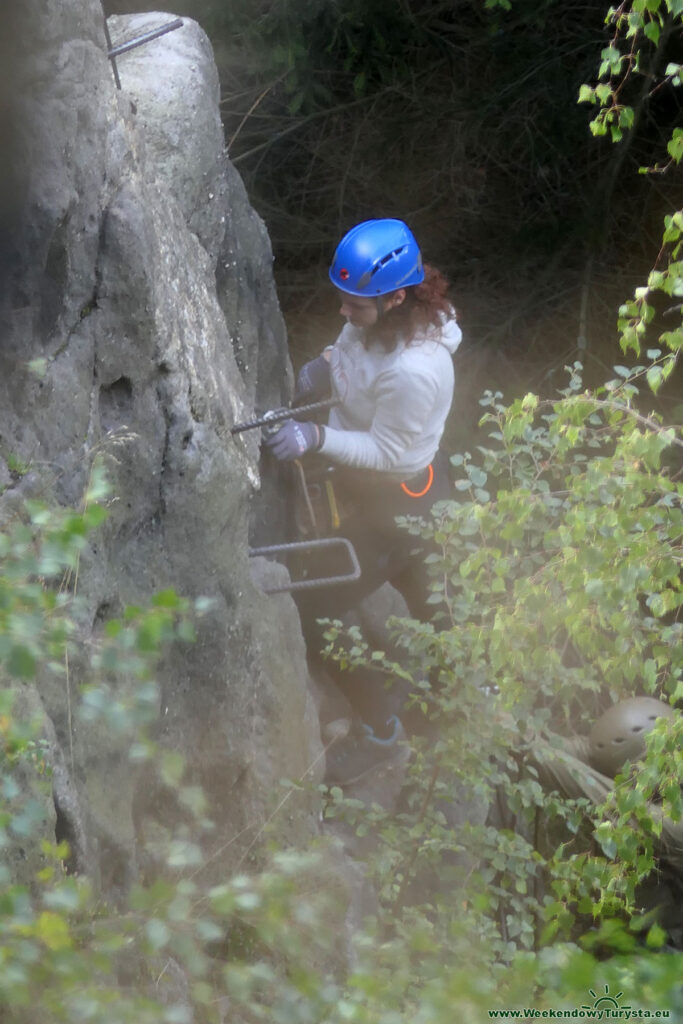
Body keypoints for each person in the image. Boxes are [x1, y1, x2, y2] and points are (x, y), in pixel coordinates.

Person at [264, 218, 462, 781]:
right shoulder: (377, 319)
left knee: (313, 606)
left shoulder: (417, 371)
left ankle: (382, 734)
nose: (344, 314)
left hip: (398, 503)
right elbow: (353, 350)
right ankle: (461, 700)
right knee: (435, 606)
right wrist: (325, 368)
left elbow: (391, 452)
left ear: (397, 297)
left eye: (357, 306)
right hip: (401, 493)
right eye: (343, 302)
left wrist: (316, 436)